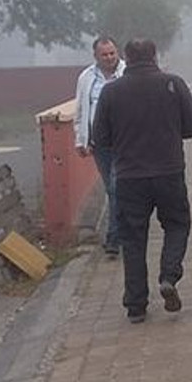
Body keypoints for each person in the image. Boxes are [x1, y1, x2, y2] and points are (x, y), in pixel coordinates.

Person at [92, 38, 192, 324]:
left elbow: (101, 139)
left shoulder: (111, 92)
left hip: (129, 177)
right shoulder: (173, 84)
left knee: (132, 239)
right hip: (169, 173)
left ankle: (136, 306)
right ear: (154, 55)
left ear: (126, 57)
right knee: (177, 224)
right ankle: (168, 276)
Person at [74, 37, 125, 256]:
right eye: (104, 54)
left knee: (116, 189)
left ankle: (114, 239)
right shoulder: (86, 78)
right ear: (96, 56)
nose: (109, 58)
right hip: (99, 144)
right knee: (112, 190)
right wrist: (80, 140)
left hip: (124, 142)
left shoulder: (127, 74)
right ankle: (123, 230)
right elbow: (80, 110)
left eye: (112, 53)